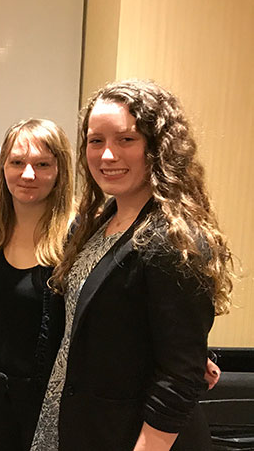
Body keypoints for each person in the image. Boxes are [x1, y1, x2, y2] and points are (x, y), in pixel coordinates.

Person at [30, 80, 234, 451]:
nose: (107, 155)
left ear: (157, 147)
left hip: (136, 436)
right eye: (96, 141)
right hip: (83, 419)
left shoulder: (171, 239)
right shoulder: (100, 220)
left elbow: (178, 378)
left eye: (126, 140)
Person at [0, 119, 71, 451]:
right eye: (17, 162)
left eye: (42, 164)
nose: (28, 175)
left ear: (60, 170)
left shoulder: (77, 237)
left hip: (47, 396)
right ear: (3, 167)